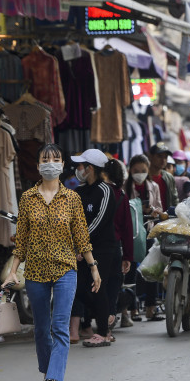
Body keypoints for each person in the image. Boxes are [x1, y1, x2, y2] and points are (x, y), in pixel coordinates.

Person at [3, 144, 99, 381]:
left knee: (60, 326)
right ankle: (47, 373)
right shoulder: (27, 199)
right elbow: (21, 241)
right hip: (34, 271)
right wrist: (13, 272)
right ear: (37, 166)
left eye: (55, 159)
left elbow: (81, 237)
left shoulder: (72, 199)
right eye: (45, 159)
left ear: (61, 165)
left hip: (66, 268)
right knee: (41, 328)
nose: (50, 163)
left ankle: (56, 379)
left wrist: (93, 266)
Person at [70, 149, 118, 347]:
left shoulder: (105, 191)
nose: (77, 169)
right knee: (79, 288)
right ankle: (104, 315)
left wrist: (80, 243)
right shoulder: (78, 191)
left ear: (90, 168)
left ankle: (104, 333)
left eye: (80, 166)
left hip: (102, 249)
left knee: (98, 288)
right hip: (80, 249)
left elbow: (99, 221)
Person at [125, 154, 165, 321]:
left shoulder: (153, 186)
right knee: (130, 270)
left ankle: (150, 307)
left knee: (151, 269)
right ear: (130, 171)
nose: (139, 173)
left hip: (148, 231)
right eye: (136, 170)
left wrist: (153, 211)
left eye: (143, 170)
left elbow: (160, 207)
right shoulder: (125, 187)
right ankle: (132, 309)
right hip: (131, 234)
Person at [103, 159, 133, 331]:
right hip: (114, 248)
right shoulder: (121, 195)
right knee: (112, 287)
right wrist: (128, 256)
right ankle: (107, 323)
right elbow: (127, 230)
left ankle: (87, 325)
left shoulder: (95, 193)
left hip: (94, 247)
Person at [148, 142, 178, 209]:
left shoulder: (169, 177)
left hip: (167, 217)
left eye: (165, 157)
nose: (163, 160)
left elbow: (174, 199)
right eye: (159, 156)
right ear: (151, 156)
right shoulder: (144, 177)